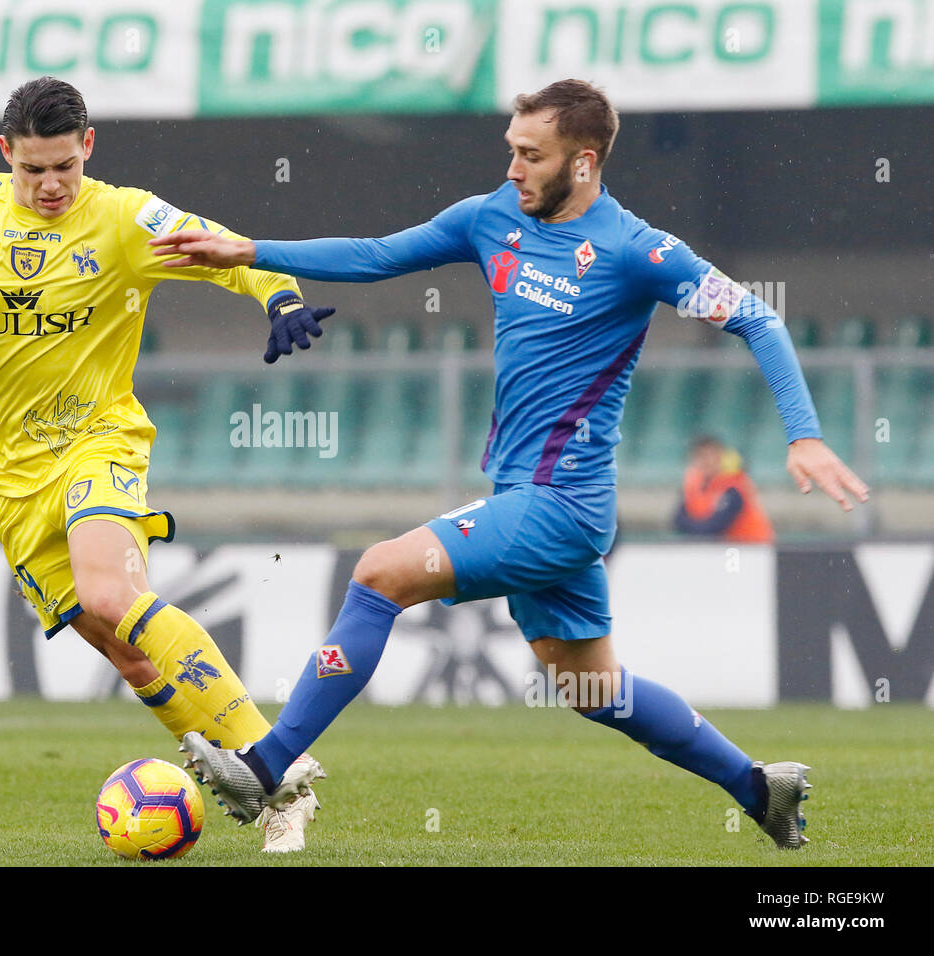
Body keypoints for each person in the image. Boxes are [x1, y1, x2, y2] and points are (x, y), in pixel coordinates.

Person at [150, 78, 870, 849]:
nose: (514, 170)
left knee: (378, 573)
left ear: (584, 162)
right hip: (524, 495)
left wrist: (804, 433)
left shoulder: (639, 252)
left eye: (532, 156)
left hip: (564, 504)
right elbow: (376, 254)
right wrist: (251, 251)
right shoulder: (493, 218)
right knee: (593, 687)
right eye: (511, 152)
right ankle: (761, 789)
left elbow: (757, 318)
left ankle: (264, 767)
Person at [0, 76, 336, 853]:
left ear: (88, 148)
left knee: (112, 593)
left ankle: (274, 763)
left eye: (64, 169)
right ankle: (258, 790)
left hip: (97, 440)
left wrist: (278, 296)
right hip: (9, 476)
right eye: (33, 170)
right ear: (6, 154)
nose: (50, 186)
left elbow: (223, 251)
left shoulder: (122, 215)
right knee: (119, 646)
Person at [674, 436, 774, 543]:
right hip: (726, 549)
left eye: (711, 455)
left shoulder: (733, 486)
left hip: (753, 547)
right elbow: (678, 519)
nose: (706, 461)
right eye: (700, 456)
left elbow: (715, 526)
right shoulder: (695, 485)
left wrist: (692, 526)